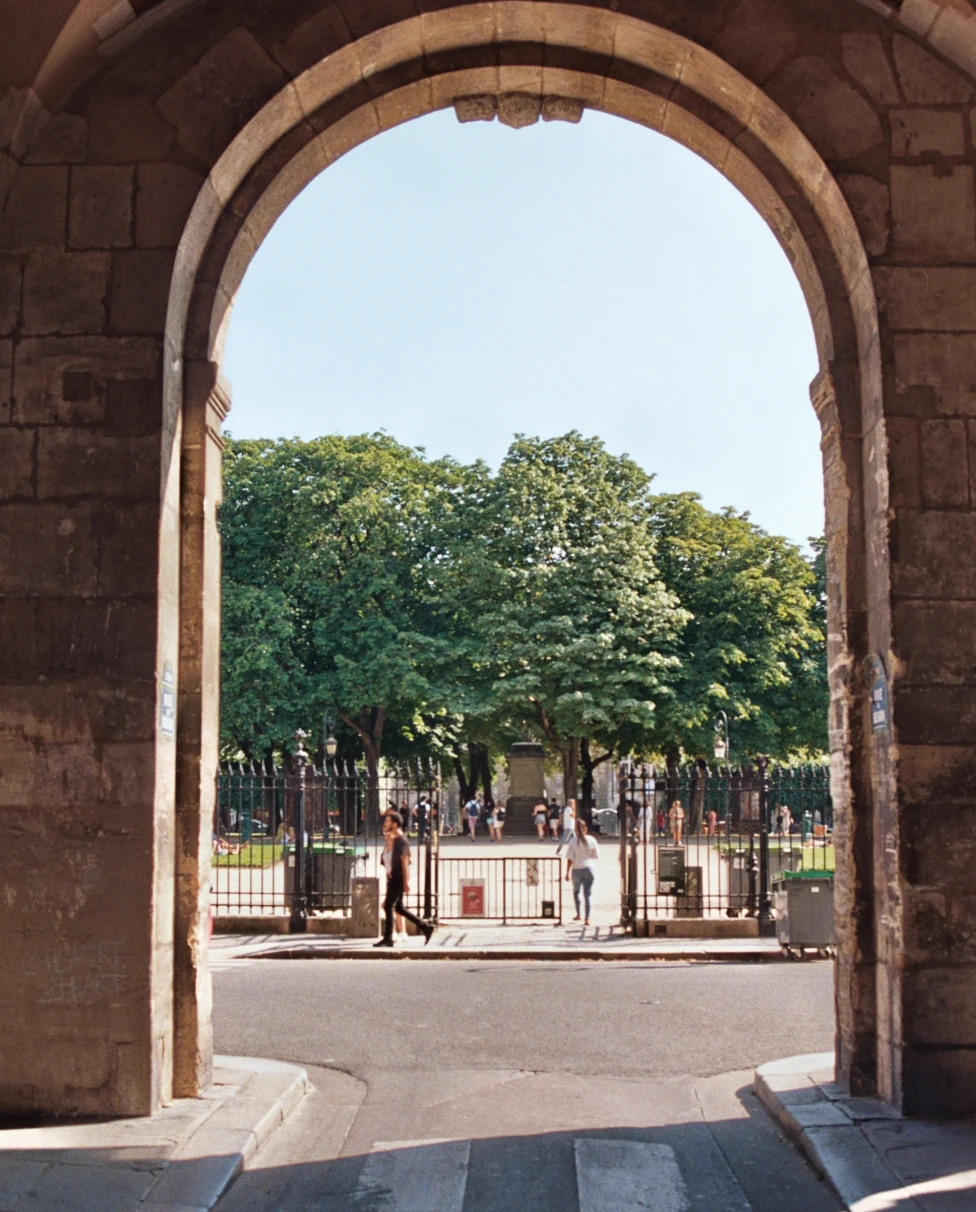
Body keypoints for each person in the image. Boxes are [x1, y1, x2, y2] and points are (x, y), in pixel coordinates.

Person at [374, 812, 433, 947]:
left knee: (388, 906)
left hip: (398, 877)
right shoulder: (393, 840)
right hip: (393, 877)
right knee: (399, 908)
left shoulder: (401, 840)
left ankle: (388, 938)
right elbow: (385, 860)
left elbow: (405, 861)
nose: (384, 823)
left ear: (394, 824)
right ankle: (425, 927)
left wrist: (406, 881)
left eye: (387, 821)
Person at [564, 817, 600, 925]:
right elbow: (596, 855)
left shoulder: (573, 841)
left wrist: (567, 872)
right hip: (589, 868)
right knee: (588, 894)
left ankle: (578, 914)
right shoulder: (591, 840)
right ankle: (587, 918)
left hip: (576, 869)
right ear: (586, 828)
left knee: (576, 892)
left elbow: (570, 858)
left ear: (575, 829)